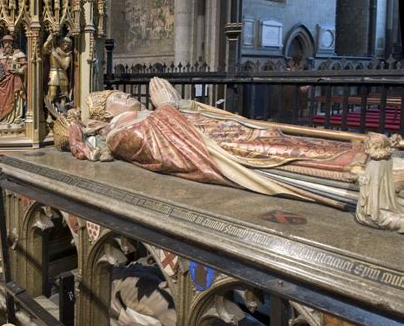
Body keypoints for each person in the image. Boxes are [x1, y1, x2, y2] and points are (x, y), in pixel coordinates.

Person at [54, 78, 404, 232]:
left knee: (273, 135)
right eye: (115, 94)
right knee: (278, 151)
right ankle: (362, 172)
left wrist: (174, 108)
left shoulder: (139, 119)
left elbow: (176, 125)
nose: (122, 94)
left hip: (218, 133)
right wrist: (168, 107)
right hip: (217, 150)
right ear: (107, 111)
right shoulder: (120, 135)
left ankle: (363, 158)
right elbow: (177, 155)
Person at [0, 35, 27, 126]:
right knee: (2, 100)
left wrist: (19, 70)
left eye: (9, 42)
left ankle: (16, 117)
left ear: (13, 43)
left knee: (16, 97)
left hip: (15, 79)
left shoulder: (18, 54)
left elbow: (26, 66)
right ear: (2, 43)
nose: (7, 45)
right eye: (5, 42)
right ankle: (4, 118)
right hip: (2, 82)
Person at [43, 33, 73, 106]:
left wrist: (56, 56)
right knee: (52, 95)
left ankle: (62, 112)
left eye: (68, 44)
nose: (66, 46)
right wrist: (48, 40)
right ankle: (49, 115)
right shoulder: (53, 50)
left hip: (63, 74)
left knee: (64, 96)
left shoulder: (68, 55)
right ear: (60, 43)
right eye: (65, 43)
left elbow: (65, 66)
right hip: (53, 74)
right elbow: (44, 50)